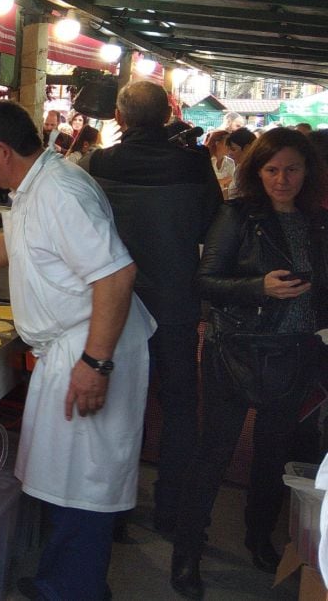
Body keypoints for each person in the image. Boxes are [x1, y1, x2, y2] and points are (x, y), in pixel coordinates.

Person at [0, 99, 155, 601]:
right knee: (66, 474)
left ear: (4, 150)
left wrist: (96, 363)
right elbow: (16, 243)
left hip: (91, 342)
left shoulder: (61, 193)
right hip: (70, 344)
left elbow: (116, 274)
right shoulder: (33, 185)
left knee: (85, 482)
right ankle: (61, 579)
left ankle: (76, 590)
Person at [170, 128, 327, 599]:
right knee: (213, 453)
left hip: (296, 352)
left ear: (307, 172)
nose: (283, 179)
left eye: (292, 169)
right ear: (257, 171)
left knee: (272, 454)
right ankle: (187, 552)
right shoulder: (237, 215)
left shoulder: (316, 222)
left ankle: (259, 538)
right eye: (272, 169)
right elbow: (206, 282)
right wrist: (260, 287)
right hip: (234, 350)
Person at [88, 80, 222, 536]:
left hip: (116, 303)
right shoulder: (193, 162)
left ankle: (115, 512)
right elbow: (212, 224)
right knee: (180, 403)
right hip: (176, 300)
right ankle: (169, 508)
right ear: (167, 114)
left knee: (120, 403)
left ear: (121, 119)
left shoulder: (102, 161)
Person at [225, 127, 256, 198]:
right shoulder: (240, 167)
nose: (229, 153)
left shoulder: (251, 171)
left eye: (233, 149)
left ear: (247, 148)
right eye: (229, 149)